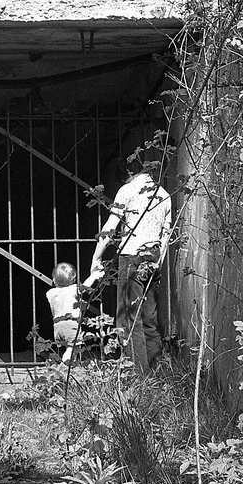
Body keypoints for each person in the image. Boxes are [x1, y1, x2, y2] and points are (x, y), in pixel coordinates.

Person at [84, 152, 172, 372]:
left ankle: (138, 374)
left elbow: (111, 226)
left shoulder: (128, 190)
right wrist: (158, 261)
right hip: (152, 256)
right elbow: (166, 233)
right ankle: (155, 372)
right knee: (149, 316)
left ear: (130, 172)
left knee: (128, 318)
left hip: (131, 255)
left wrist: (96, 257)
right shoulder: (164, 194)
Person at [46, 262, 81, 363]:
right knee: (72, 348)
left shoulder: (50, 293)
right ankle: (67, 359)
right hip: (71, 323)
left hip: (57, 326)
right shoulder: (74, 289)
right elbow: (86, 286)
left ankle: (69, 367)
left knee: (68, 347)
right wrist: (94, 275)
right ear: (73, 280)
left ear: (53, 279)